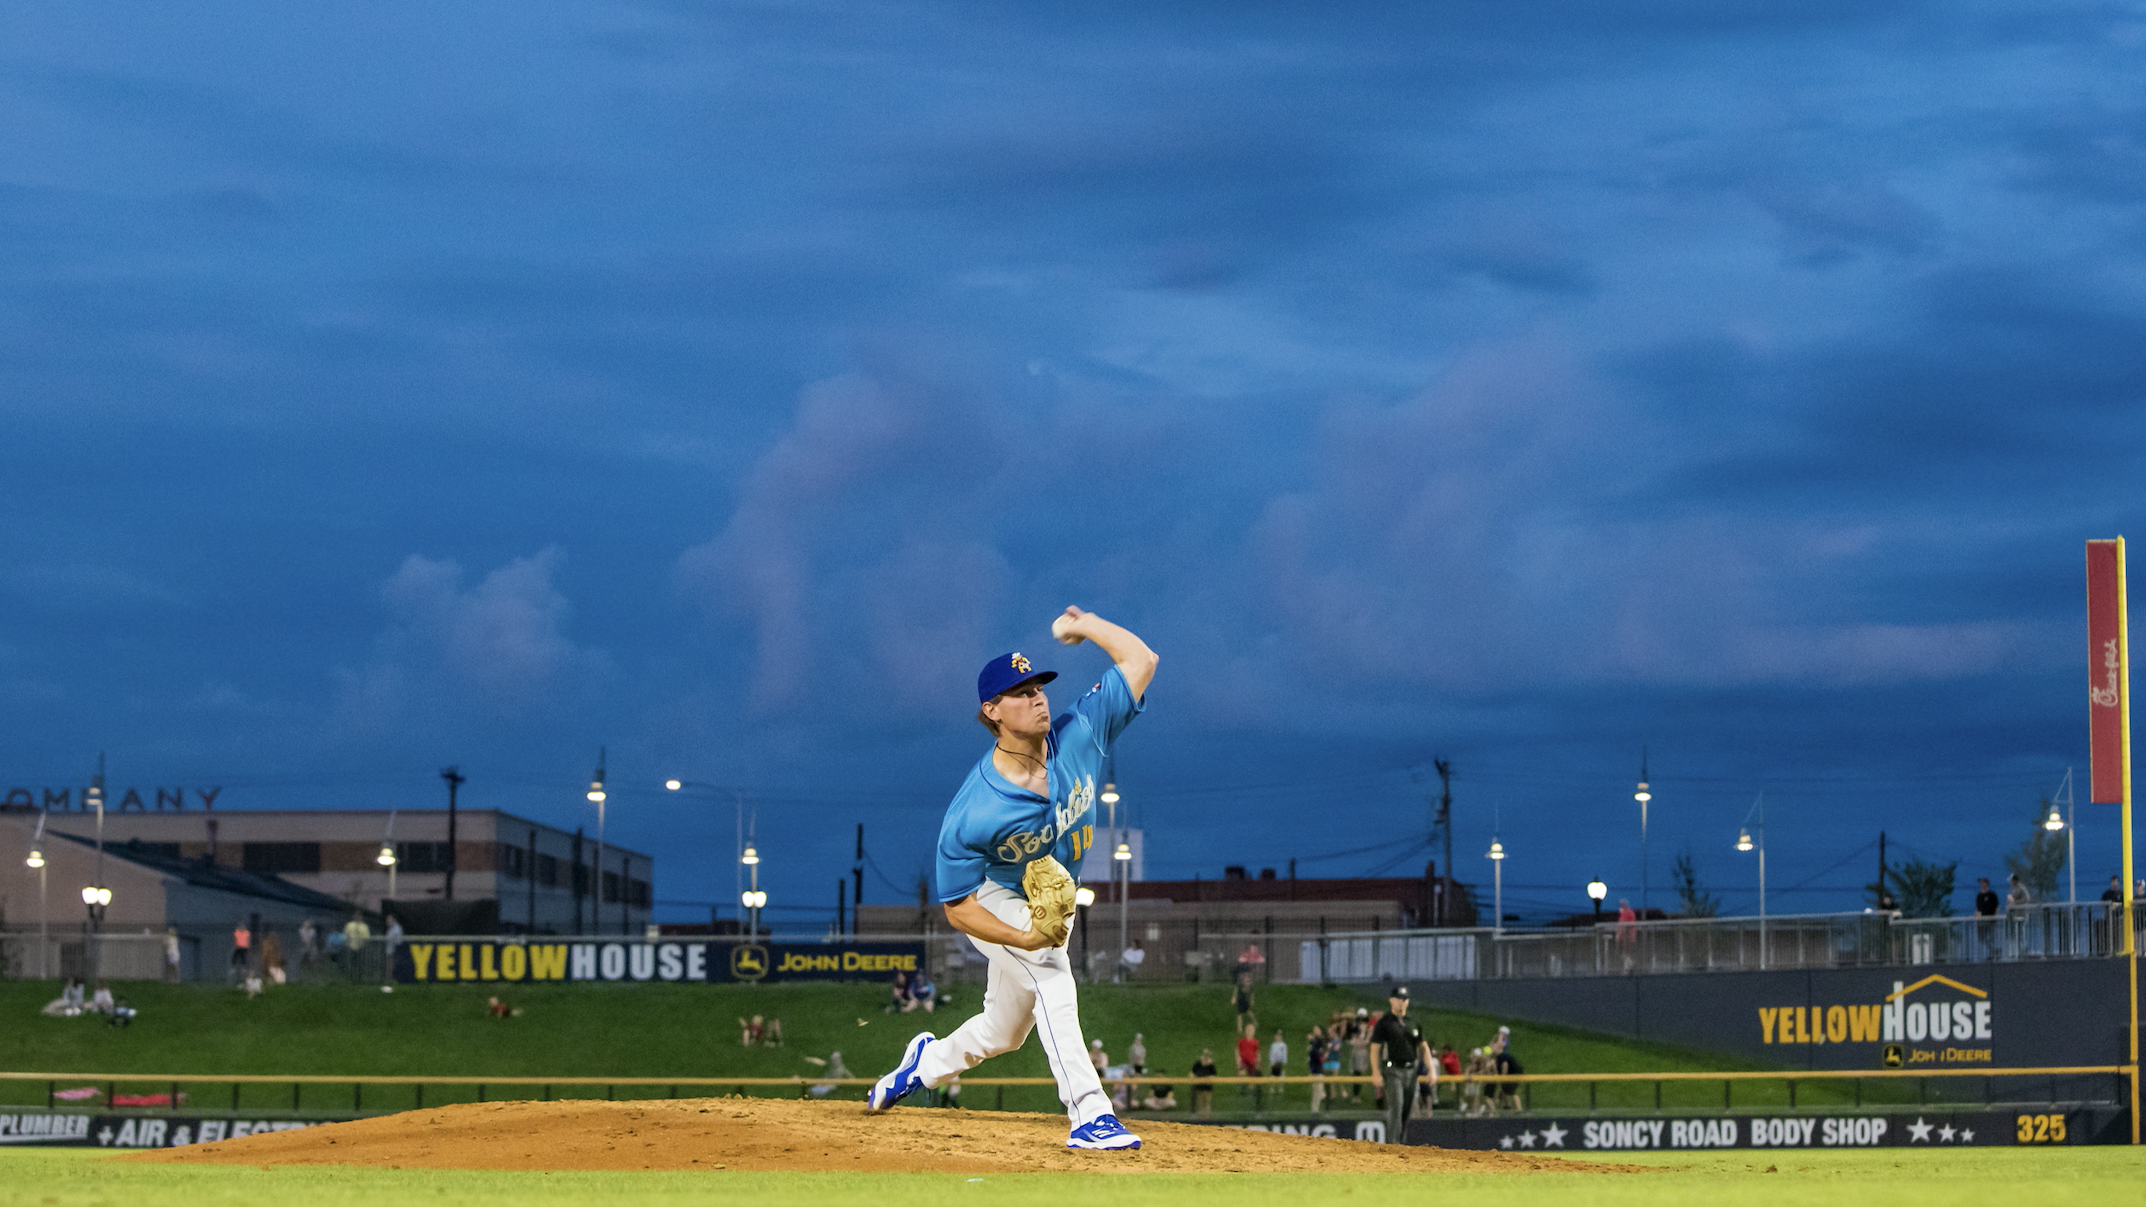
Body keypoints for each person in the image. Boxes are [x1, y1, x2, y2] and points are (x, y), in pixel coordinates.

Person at [865, 612, 1158, 1153]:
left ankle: (923, 1064)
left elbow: (1142, 661)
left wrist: (1087, 624)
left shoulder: (1081, 733)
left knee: (1005, 1032)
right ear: (992, 711)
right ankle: (1090, 1114)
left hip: (1047, 903)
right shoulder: (974, 810)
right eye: (1019, 693)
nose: (1038, 698)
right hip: (995, 900)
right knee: (1050, 973)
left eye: (1039, 687)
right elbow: (957, 907)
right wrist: (1022, 938)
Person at [1369, 986, 1433, 1143]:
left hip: (1411, 1070)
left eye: (1404, 999)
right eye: (1398, 999)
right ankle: (1392, 1146)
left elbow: (1423, 1047)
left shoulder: (1413, 1023)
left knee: (1406, 1110)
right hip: (1393, 1069)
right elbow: (1374, 1048)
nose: (1401, 1002)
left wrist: (1431, 1070)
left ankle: (1400, 1144)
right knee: (1396, 1107)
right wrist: (1375, 1072)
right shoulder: (1384, 1023)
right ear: (1391, 1000)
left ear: (1408, 1002)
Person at [1974, 877, 2001, 958]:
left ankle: (1991, 954)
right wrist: (1977, 919)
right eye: (1981, 884)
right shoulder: (1979, 896)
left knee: (1991, 937)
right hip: (1982, 920)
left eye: (1984, 883)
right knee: (1981, 938)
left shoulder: (1992, 895)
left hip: (1990, 919)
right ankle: (1994, 950)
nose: (1982, 885)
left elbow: (1996, 907)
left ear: (1987, 884)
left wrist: (1995, 917)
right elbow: (1978, 908)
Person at [1235, 1022, 1261, 1096]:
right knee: (1241, 1072)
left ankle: (1251, 1089)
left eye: (1251, 1030)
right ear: (1245, 1031)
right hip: (1243, 1060)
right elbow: (1237, 1049)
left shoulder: (1255, 1042)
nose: (1249, 1031)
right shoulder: (1242, 1041)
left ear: (1253, 1032)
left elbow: (1257, 1052)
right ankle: (1242, 1088)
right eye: (1248, 1030)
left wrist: (1258, 1061)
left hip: (1251, 1060)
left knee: (1251, 1075)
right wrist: (1237, 1059)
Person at [1189, 1049, 1218, 1116]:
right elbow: (1191, 1073)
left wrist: (1206, 1079)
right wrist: (1192, 1078)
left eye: (1206, 1056)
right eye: (1203, 1055)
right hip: (1198, 1087)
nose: (1204, 1057)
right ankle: (1200, 1119)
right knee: (1199, 1103)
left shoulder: (1211, 1066)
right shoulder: (1197, 1064)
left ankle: (1207, 1118)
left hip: (1207, 1087)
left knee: (1207, 1103)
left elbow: (1213, 1076)